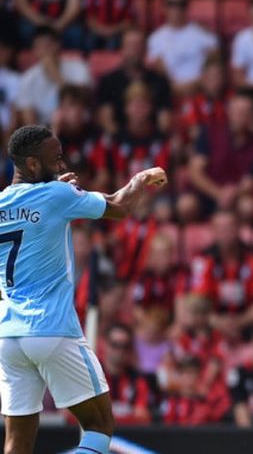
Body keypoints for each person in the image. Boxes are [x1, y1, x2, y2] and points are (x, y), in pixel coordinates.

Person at [0, 125, 166, 454]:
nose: (62, 165)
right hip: (51, 328)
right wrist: (140, 180)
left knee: (17, 440)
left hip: (8, 337)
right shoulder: (56, 196)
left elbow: (32, 215)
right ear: (33, 165)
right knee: (99, 426)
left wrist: (53, 192)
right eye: (56, 158)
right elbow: (119, 206)